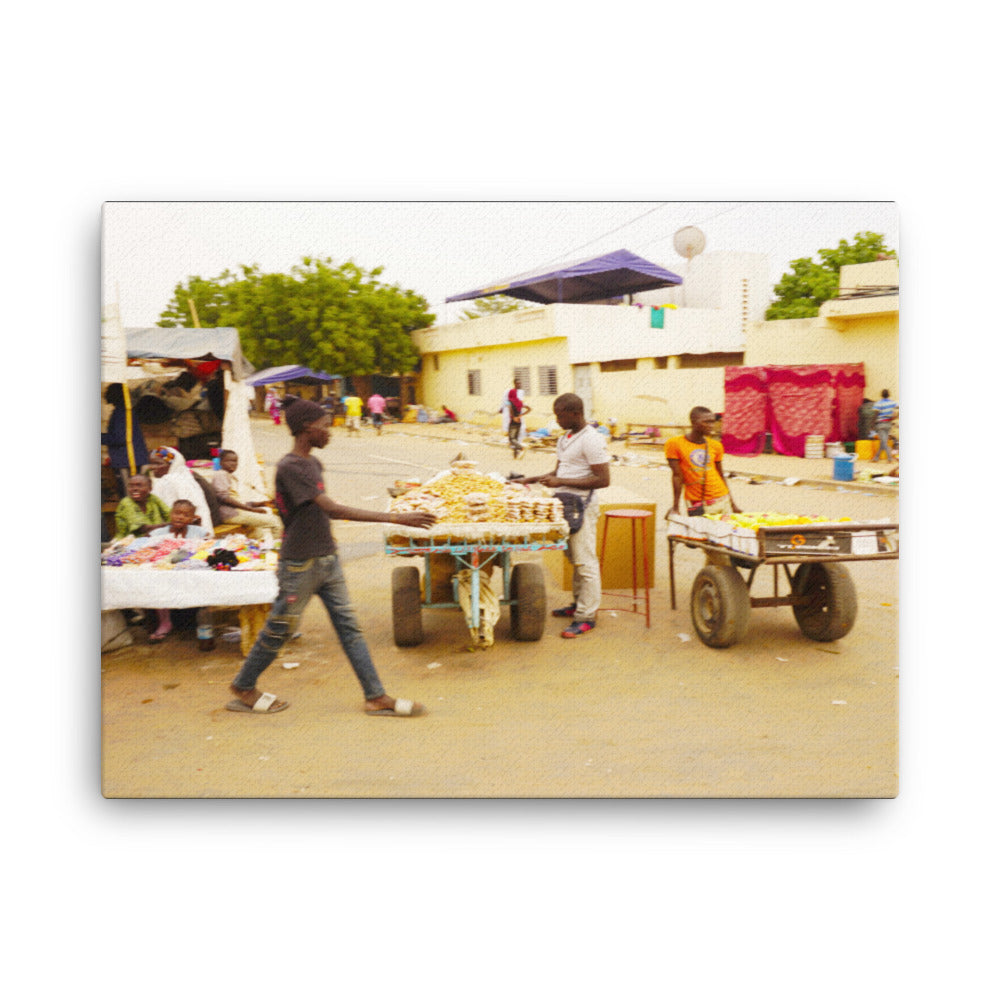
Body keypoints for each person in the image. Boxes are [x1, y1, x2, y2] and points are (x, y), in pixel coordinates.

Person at [226, 395, 438, 716]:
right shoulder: (290, 466)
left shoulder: (312, 463)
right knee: (279, 629)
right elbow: (333, 509)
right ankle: (244, 685)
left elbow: (316, 514)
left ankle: (375, 696)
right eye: (326, 425)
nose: (331, 430)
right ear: (306, 428)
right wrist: (397, 518)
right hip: (300, 564)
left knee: (350, 629)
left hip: (326, 559)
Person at [521, 393, 610, 639]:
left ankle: (586, 616)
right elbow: (559, 470)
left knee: (586, 560)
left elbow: (603, 480)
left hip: (582, 504)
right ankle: (578, 602)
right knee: (573, 557)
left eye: (560, 415)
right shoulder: (566, 438)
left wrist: (559, 480)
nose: (557, 420)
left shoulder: (592, 439)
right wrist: (528, 479)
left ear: (575, 413)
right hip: (564, 503)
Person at [665, 407, 741, 517]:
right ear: (694, 422)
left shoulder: (716, 446)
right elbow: (677, 476)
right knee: (701, 532)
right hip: (698, 502)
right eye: (707, 422)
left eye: (713, 421)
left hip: (723, 499)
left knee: (725, 532)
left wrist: (733, 504)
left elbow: (720, 475)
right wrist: (675, 507)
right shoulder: (675, 444)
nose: (711, 425)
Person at [211, 449, 282, 545]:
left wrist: (261, 504)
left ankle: (256, 551)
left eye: (235, 461)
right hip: (230, 514)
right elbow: (223, 497)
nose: (233, 464)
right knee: (276, 522)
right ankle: (275, 551)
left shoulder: (230, 476)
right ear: (221, 462)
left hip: (236, 512)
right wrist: (251, 509)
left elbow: (237, 501)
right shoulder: (221, 474)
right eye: (229, 461)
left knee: (257, 530)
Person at [147, 447, 216, 531]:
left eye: (158, 464)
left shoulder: (170, 481)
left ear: (172, 465)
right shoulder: (186, 476)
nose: (152, 467)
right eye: (151, 463)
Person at [102, 383, 150, 498]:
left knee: (129, 496)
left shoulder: (122, 413)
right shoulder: (124, 411)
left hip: (128, 461)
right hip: (131, 459)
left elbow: (120, 438)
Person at [113, 474, 170, 539]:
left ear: (150, 488)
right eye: (131, 486)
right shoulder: (126, 502)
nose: (135, 489)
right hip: (128, 542)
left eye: (139, 485)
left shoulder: (153, 498)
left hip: (153, 539)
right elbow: (142, 529)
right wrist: (169, 524)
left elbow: (170, 514)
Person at [502, 378, 531, 457]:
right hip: (519, 421)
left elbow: (510, 408)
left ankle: (521, 448)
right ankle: (515, 453)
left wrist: (513, 417)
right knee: (516, 438)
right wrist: (521, 415)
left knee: (511, 439)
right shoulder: (519, 401)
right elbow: (529, 408)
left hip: (513, 421)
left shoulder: (509, 401)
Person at [872, 388, 898, 463]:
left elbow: (875, 414)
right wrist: (894, 416)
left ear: (881, 395)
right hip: (888, 424)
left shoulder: (879, 403)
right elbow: (898, 407)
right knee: (883, 442)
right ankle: (876, 458)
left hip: (880, 424)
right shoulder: (892, 402)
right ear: (889, 395)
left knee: (883, 442)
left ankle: (889, 459)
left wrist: (872, 424)